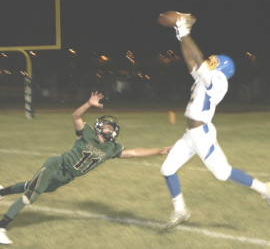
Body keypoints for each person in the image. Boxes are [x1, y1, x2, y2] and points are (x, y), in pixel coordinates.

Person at [0, 91, 172, 245]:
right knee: (31, 196)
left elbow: (134, 153)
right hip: (56, 166)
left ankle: (2, 192)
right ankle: (2, 227)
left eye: (112, 128)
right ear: (99, 126)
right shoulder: (87, 133)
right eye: (107, 126)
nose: (109, 130)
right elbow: (76, 116)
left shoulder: (112, 149)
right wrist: (89, 104)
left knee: (32, 185)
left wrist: (159, 151)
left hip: (67, 178)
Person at [160, 12, 270, 228]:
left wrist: (185, 32)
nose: (210, 63)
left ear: (221, 67)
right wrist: (180, 35)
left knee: (223, 174)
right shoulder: (206, 77)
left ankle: (263, 188)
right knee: (167, 169)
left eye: (214, 62)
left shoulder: (219, 79)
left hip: (202, 135)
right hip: (190, 135)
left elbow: (199, 60)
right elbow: (191, 63)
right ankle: (180, 210)